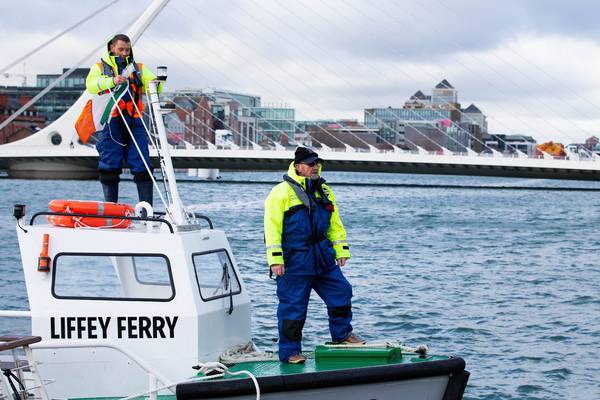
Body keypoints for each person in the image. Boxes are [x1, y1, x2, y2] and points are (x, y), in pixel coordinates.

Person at [264, 147, 364, 364]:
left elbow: (335, 224)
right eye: (310, 164)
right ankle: (290, 352)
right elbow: (271, 229)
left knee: (341, 291)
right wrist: (275, 260)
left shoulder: (324, 190)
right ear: (298, 166)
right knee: (293, 307)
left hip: (323, 257)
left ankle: (342, 336)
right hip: (295, 261)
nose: (315, 167)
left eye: (316, 163)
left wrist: (341, 251)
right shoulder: (280, 192)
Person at [85, 34, 161, 205]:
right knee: (109, 165)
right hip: (111, 121)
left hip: (134, 120)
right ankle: (112, 208)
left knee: (142, 163)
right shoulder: (99, 67)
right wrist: (112, 81)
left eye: (127, 50)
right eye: (121, 49)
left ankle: (146, 210)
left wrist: (157, 82)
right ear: (112, 48)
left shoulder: (138, 68)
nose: (125, 53)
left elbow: (153, 86)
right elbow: (91, 84)